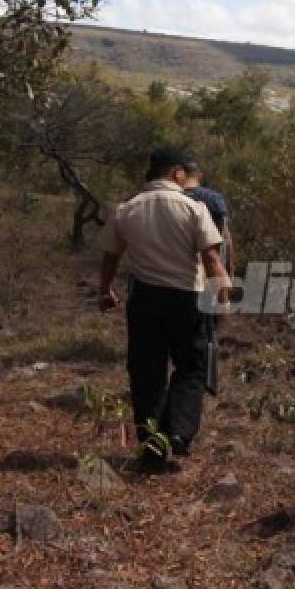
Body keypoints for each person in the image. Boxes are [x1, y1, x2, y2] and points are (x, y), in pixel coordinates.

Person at [98, 147, 231, 472]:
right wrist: (223, 296)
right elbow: (212, 259)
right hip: (186, 299)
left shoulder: (126, 209)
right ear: (177, 174)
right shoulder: (193, 208)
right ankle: (179, 433)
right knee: (191, 367)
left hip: (144, 300)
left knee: (146, 372)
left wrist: (105, 290)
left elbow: (110, 256)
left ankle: (152, 447)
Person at [182, 161, 233, 396]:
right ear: (199, 175)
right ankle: (206, 378)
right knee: (208, 327)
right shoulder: (214, 199)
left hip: (181, 271)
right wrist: (227, 272)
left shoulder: (173, 198)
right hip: (210, 267)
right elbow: (224, 239)